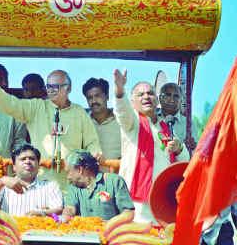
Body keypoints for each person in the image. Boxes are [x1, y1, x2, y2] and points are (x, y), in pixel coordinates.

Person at [113, 69, 189, 223]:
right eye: (140, 95)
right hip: (136, 202)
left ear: (157, 100)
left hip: (162, 200)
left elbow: (184, 161)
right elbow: (122, 111)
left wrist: (179, 148)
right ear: (132, 101)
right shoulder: (132, 122)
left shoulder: (166, 126)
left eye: (150, 93)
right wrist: (120, 91)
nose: (146, 96)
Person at [0, 144, 63, 216]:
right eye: (23, 159)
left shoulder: (50, 186)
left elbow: (59, 211)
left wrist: (42, 213)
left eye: (32, 159)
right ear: (14, 167)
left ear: (38, 166)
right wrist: (2, 181)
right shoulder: (4, 186)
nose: (28, 161)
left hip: (40, 232)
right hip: (10, 232)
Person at [63, 150, 134, 220]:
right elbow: (70, 208)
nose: (67, 177)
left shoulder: (114, 181)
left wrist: (112, 224)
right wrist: (67, 214)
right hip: (84, 231)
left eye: (68, 172)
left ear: (79, 169)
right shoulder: (74, 187)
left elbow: (128, 213)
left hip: (111, 230)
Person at [82, 78, 121, 160]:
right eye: (89, 98)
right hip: (90, 172)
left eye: (97, 96)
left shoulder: (121, 121)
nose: (93, 101)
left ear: (107, 96)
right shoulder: (83, 123)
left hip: (119, 171)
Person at [158, 82, 198, 151]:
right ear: (160, 98)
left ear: (181, 100)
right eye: (168, 95)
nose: (172, 100)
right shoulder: (152, 118)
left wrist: (193, 147)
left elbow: (194, 153)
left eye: (176, 96)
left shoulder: (188, 123)